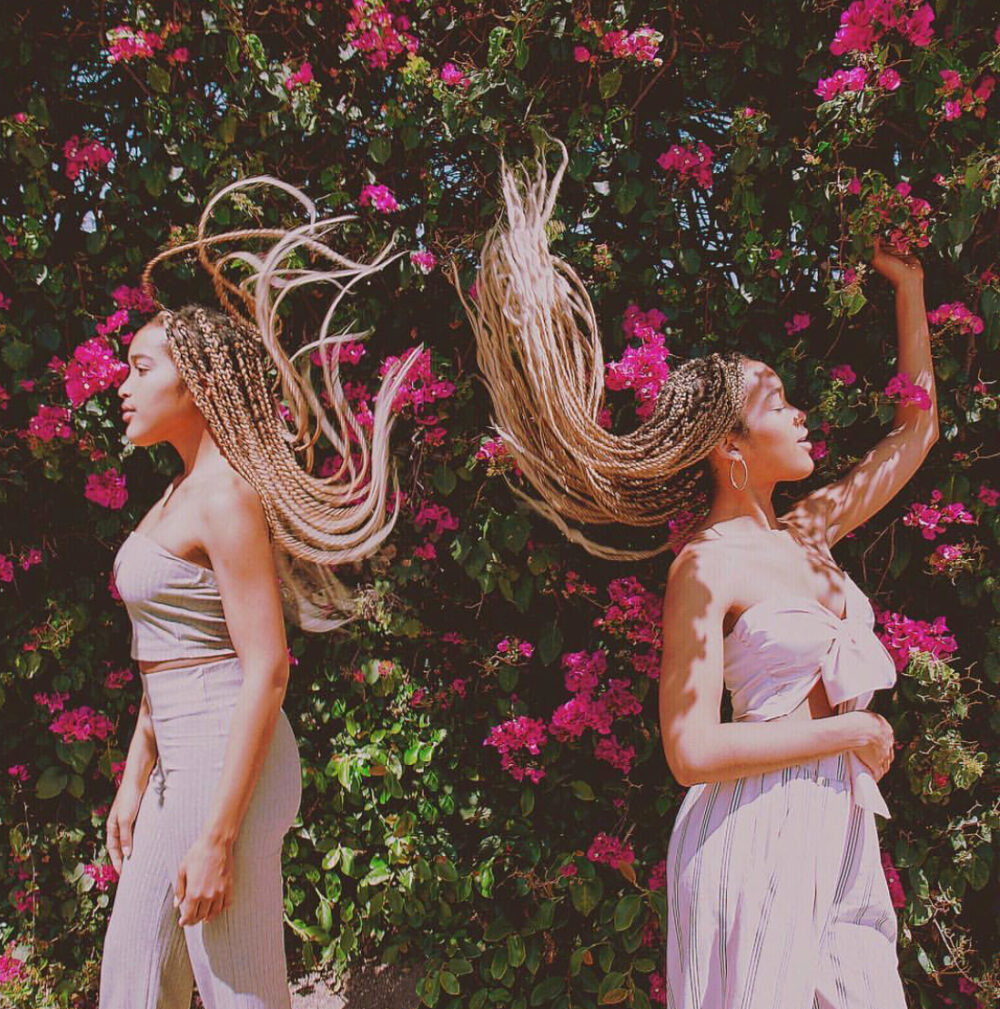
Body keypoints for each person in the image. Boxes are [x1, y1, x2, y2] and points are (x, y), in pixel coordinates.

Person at [453, 141, 936, 1008]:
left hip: (839, 827)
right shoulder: (702, 568)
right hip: (755, 835)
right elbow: (692, 749)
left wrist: (908, 290)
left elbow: (914, 438)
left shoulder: (809, 533)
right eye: (776, 402)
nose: (797, 412)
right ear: (730, 450)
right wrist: (848, 736)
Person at [99, 176, 423, 1008]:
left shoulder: (227, 496)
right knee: (132, 988)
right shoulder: (176, 495)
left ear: (197, 382)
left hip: (224, 758)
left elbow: (267, 668)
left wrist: (219, 834)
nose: (121, 385)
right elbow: (165, 654)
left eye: (140, 368)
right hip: (179, 754)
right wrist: (135, 774)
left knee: (239, 993)